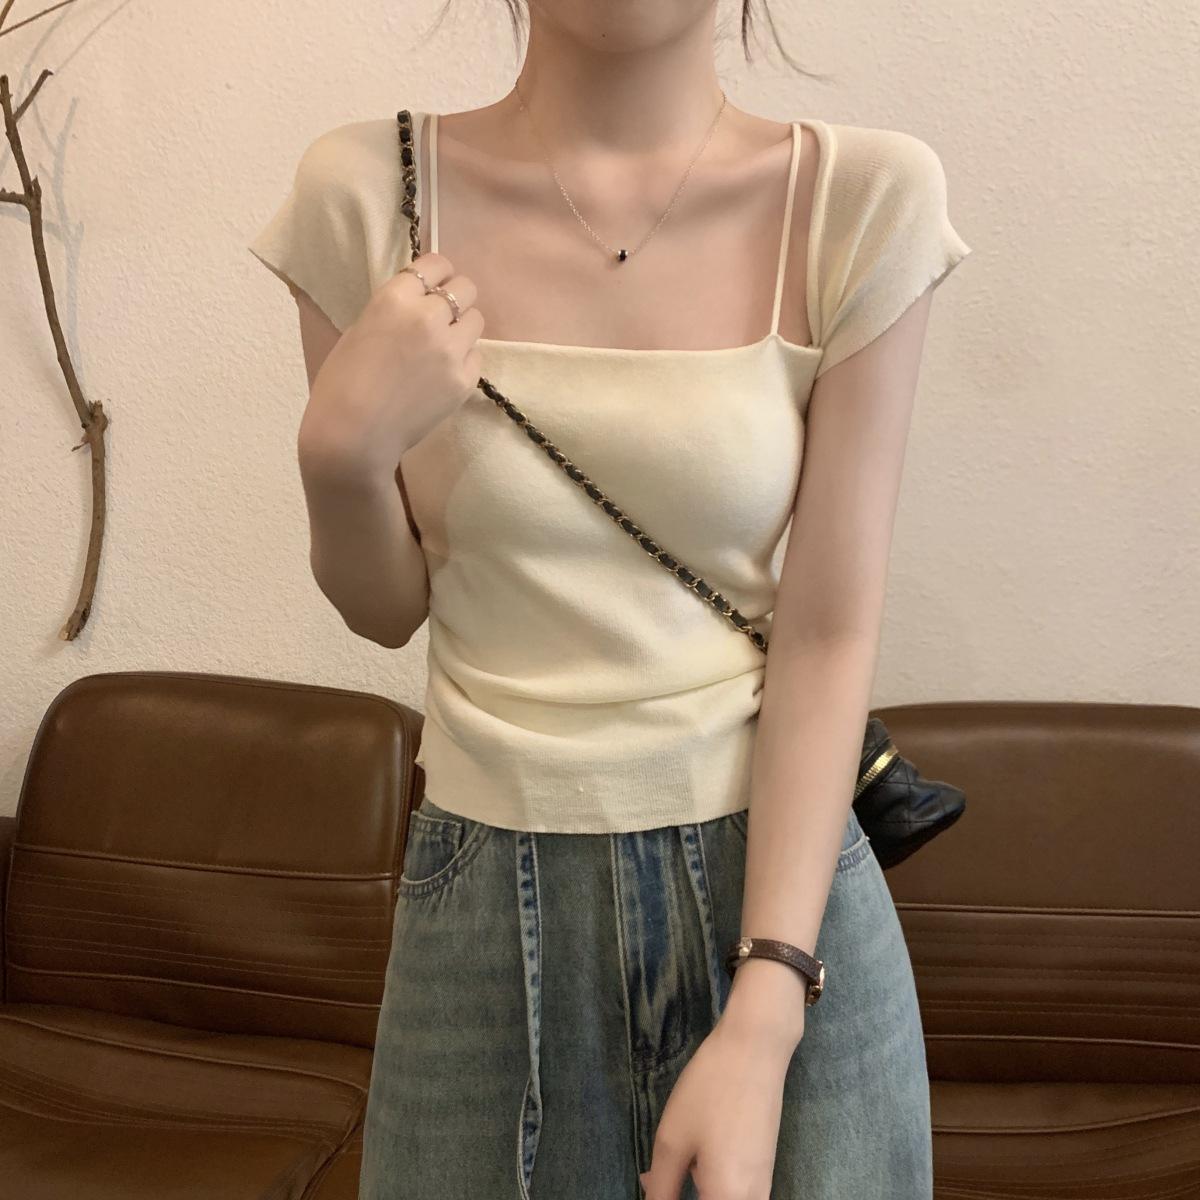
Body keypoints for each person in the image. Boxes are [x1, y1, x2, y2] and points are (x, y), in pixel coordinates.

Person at [246, 3, 972, 1196]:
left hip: (782, 915)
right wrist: (337, 456)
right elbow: (385, 607)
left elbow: (830, 628)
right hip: (484, 904)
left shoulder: (858, 198)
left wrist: (765, 1014)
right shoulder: (369, 193)